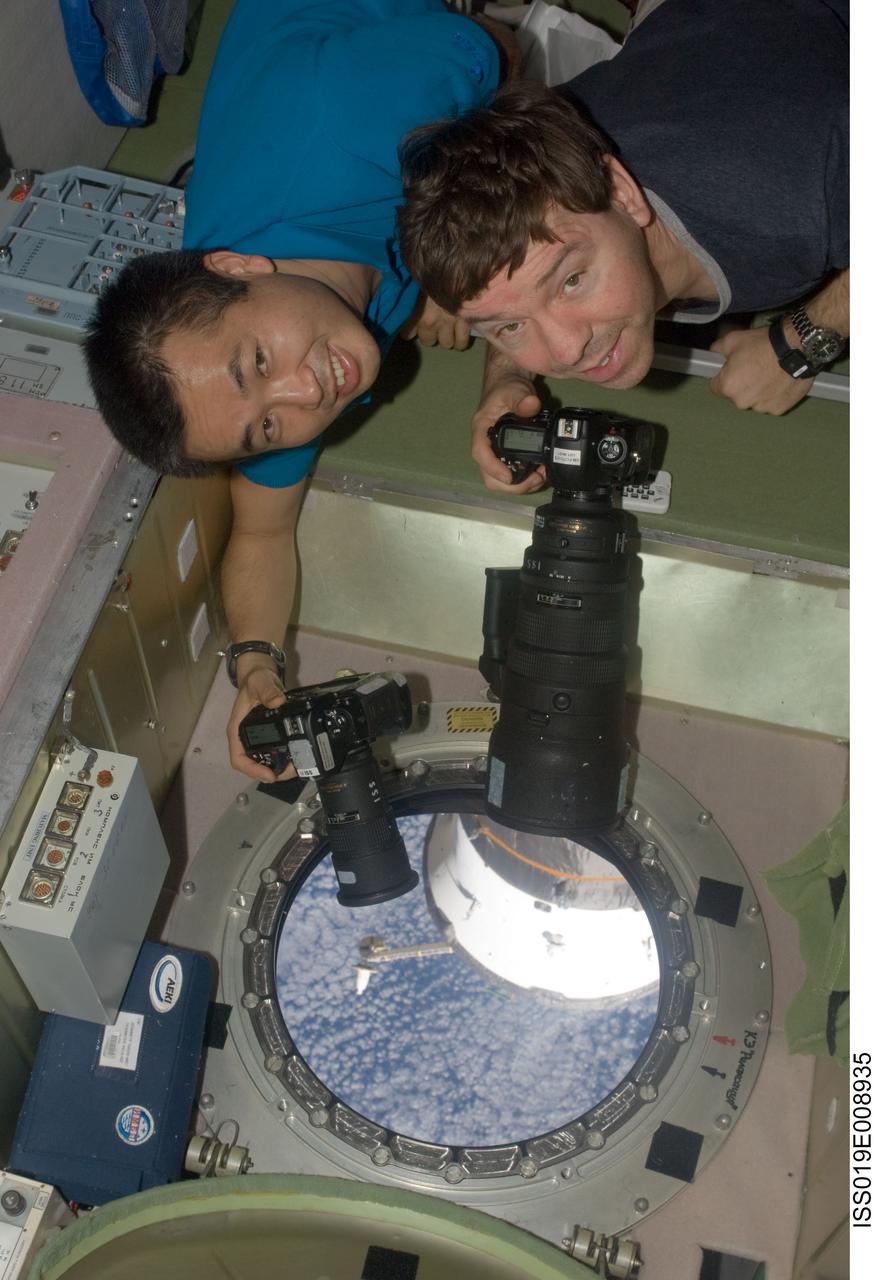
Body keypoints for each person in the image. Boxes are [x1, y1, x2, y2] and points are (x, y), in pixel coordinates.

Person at [84, 0, 511, 781]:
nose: (305, 396)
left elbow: (503, 59)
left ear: (236, 266)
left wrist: (460, 240)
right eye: (266, 430)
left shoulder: (356, 118)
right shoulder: (266, 368)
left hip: (413, 51)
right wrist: (255, 670)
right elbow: (262, 535)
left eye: (254, 364)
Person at [397, 0, 849, 495]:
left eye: (572, 281)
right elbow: (516, 283)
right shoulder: (540, 154)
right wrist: (509, 378)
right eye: (510, 326)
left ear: (623, 195)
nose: (567, 352)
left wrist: (800, 342)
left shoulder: (795, 188)